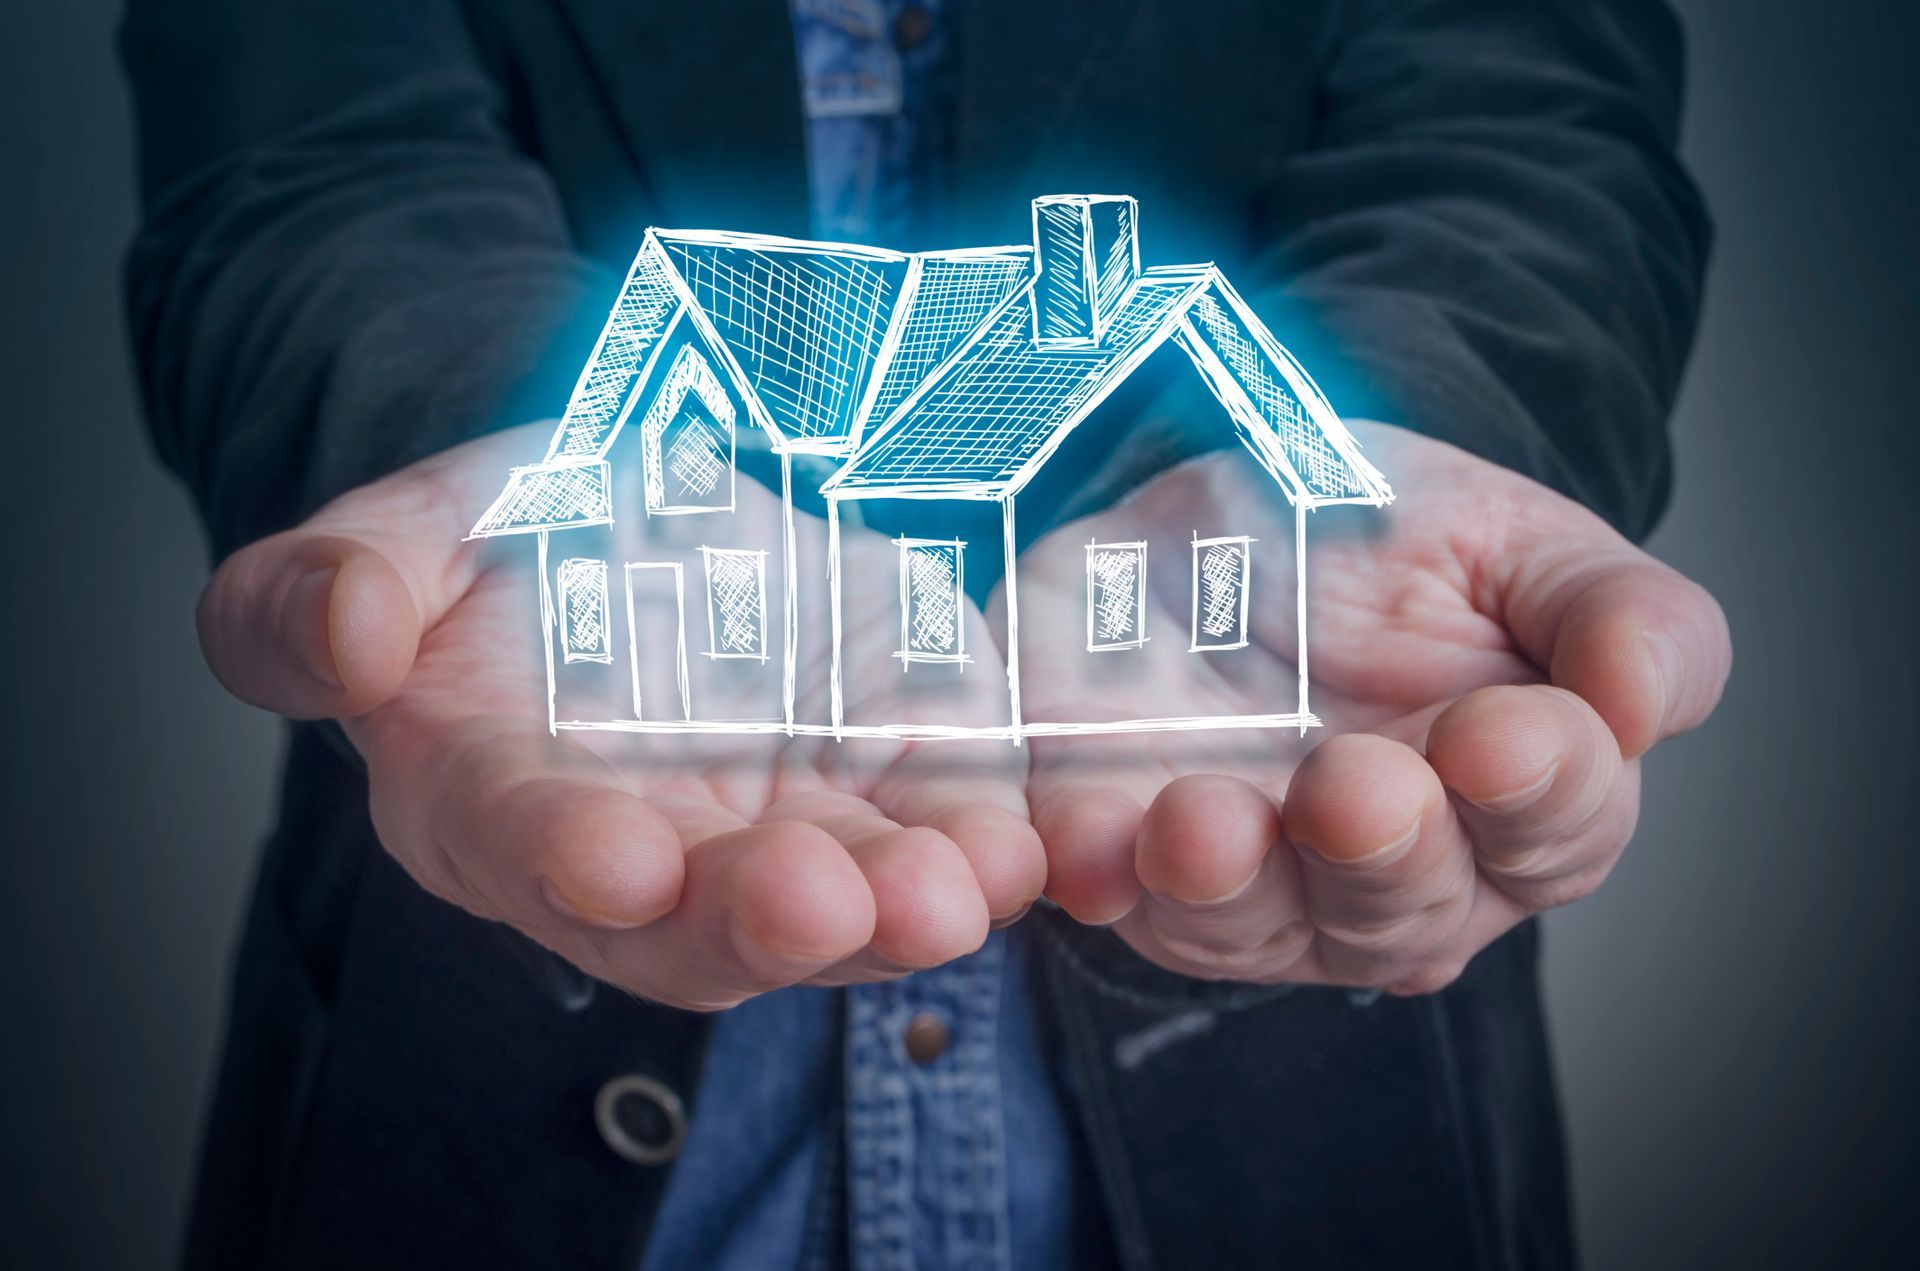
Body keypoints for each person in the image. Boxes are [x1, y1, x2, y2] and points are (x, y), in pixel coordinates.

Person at [122, 1, 1730, 1267]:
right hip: (487, 1093)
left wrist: (1396, 469)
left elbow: (1524, 137)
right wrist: (506, 487)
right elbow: (309, 163)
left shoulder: (1088, 337)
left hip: (1285, 1125)